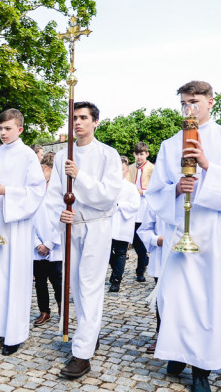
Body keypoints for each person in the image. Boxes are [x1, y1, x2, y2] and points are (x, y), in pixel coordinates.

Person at [146, 81, 221, 392]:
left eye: (193, 102)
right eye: (183, 103)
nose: (188, 108)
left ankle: (201, 369)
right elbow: (155, 192)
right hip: (180, 231)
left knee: (207, 301)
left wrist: (209, 167)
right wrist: (176, 189)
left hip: (214, 234)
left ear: (210, 102)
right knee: (174, 298)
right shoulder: (169, 144)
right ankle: (176, 351)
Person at [44, 102, 124, 377]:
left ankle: (82, 354)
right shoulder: (61, 156)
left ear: (95, 122)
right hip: (71, 227)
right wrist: (61, 214)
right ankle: (90, 333)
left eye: (83, 118)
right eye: (74, 118)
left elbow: (108, 195)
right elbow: (54, 193)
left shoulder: (108, 155)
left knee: (90, 286)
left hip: (96, 227)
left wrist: (80, 176)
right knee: (75, 285)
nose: (77, 122)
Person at [0, 109, 46, 357]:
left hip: (15, 226)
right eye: (0, 129)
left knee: (13, 280)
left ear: (20, 129)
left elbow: (36, 191)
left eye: (8, 129)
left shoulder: (27, 156)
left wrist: (7, 191)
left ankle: (14, 334)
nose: (3, 133)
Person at [32, 152, 62, 327]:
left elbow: (62, 223)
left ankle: (61, 307)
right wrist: (37, 244)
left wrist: (49, 244)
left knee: (57, 281)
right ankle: (44, 311)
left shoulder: (59, 196)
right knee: (40, 282)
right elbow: (29, 222)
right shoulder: (35, 196)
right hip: (37, 246)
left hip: (54, 246)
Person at [108, 155, 143, 293]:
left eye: (121, 169)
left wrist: (119, 205)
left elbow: (135, 205)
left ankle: (116, 281)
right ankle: (115, 271)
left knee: (121, 253)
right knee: (108, 252)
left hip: (122, 223)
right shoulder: (109, 186)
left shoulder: (131, 187)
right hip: (109, 224)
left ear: (126, 171)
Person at [136, 203, 167, 354]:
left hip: (187, 259)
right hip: (162, 257)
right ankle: (161, 336)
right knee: (162, 300)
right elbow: (144, 230)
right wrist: (157, 240)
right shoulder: (156, 200)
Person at [128, 141, 155, 282]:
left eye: (142, 154)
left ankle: (140, 271)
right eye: (137, 154)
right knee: (132, 237)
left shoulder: (152, 168)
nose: (139, 157)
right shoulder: (130, 168)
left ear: (147, 154)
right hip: (132, 205)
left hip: (145, 205)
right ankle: (144, 259)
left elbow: (156, 187)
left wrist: (143, 192)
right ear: (134, 154)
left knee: (142, 239)